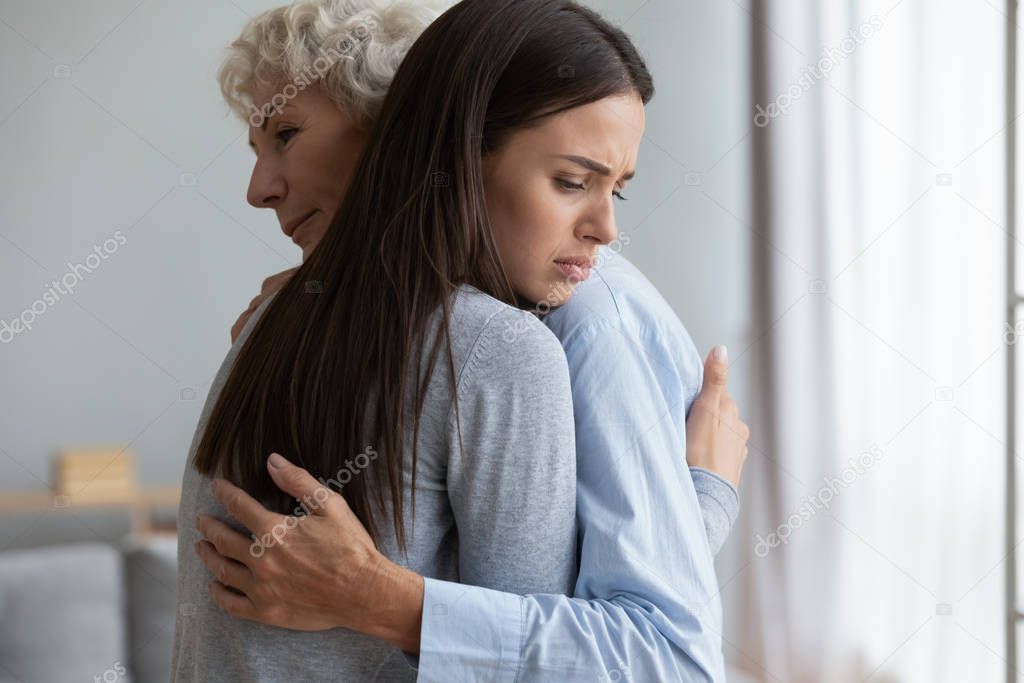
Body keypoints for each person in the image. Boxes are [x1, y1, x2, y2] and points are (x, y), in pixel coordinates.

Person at [185, 0, 749, 681]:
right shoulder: (495, 347)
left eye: (287, 135)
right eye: (571, 181)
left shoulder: (275, 324)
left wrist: (375, 595)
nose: (605, 228)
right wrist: (703, 501)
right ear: (459, 151)